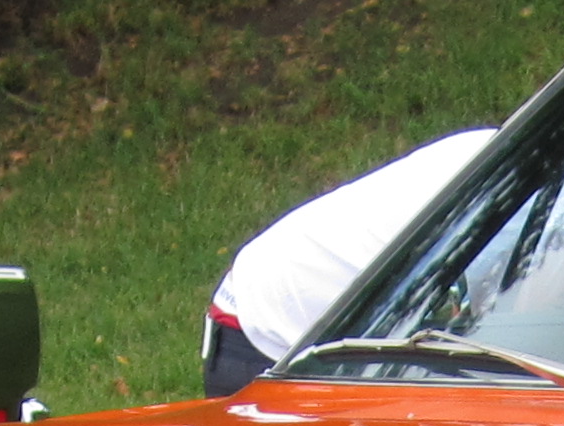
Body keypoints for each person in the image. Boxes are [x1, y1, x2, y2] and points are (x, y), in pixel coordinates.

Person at [200, 129, 493, 394]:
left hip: (322, 328)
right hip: (268, 332)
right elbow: (488, 328)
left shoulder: (498, 145)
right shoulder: (508, 177)